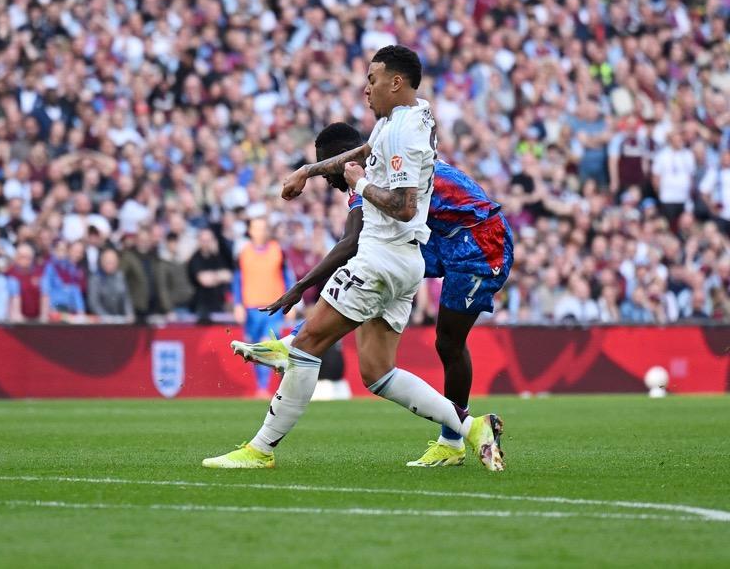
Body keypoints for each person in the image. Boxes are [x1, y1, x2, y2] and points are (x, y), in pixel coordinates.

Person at [204, 45, 505, 472]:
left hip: (385, 256)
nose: (366, 88)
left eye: (372, 79)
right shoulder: (405, 119)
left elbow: (402, 204)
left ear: (395, 82)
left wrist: (361, 186)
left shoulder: (400, 132)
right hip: (407, 260)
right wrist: (307, 172)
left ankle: (260, 448)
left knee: (309, 347)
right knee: (377, 372)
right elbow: (365, 151)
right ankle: (471, 429)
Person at [240, 120, 515, 467]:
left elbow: (351, 242)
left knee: (447, 340)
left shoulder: (371, 174)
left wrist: (299, 288)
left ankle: (452, 441)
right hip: (444, 237)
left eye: (328, 168)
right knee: (376, 272)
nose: (328, 179)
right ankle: (296, 341)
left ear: (344, 159)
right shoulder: (380, 159)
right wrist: (308, 171)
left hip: (478, 239)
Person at [232, 217, 292, 396]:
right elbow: (237, 280)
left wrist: (291, 302)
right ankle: (261, 386)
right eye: (256, 228)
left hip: (273, 307)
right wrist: (237, 304)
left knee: (268, 345)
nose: (260, 232)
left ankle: (264, 388)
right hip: (251, 308)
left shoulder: (278, 251)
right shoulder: (243, 253)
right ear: (250, 231)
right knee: (254, 347)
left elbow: (288, 277)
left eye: (263, 228)